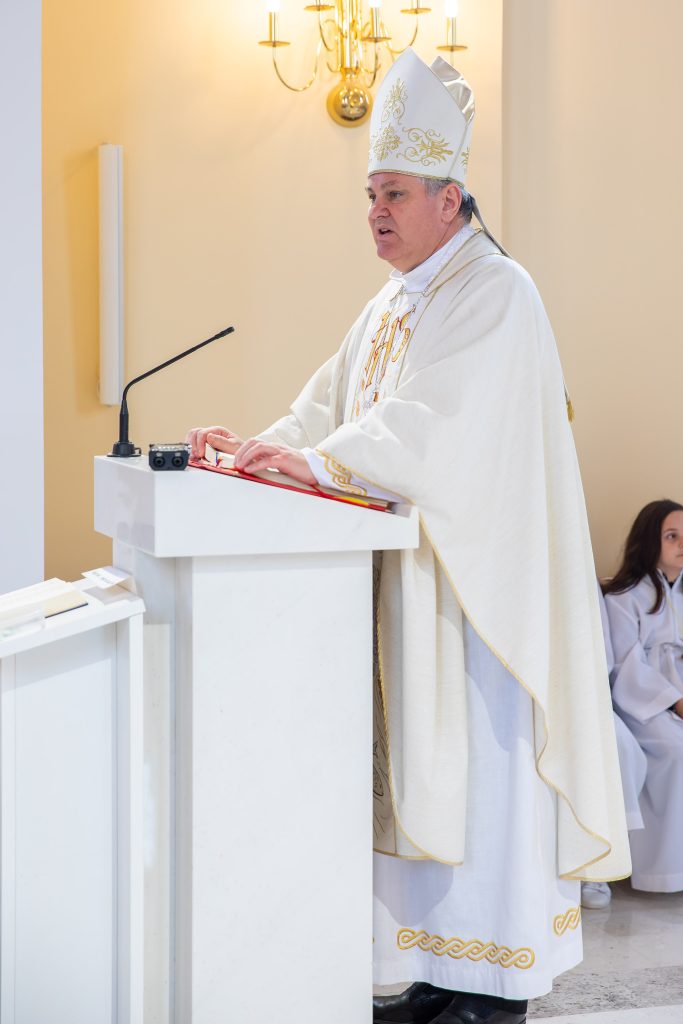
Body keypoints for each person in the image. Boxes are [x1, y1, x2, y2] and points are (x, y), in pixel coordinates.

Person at [187, 50, 630, 1024]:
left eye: (392, 193)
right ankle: (433, 973)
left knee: (481, 787)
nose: (375, 212)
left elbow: (432, 426)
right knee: (422, 787)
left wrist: (315, 461)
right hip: (414, 591)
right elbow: (326, 408)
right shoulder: (391, 302)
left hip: (479, 605)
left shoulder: (495, 291)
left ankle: (491, 988)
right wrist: (256, 450)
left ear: (448, 198)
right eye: (369, 194)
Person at [604, 499, 683, 894]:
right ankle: (662, 871)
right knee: (675, 750)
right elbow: (627, 665)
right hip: (644, 707)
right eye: (671, 536)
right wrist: (675, 701)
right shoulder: (623, 596)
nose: (681, 544)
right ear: (650, 540)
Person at [581, 588, 647, 910]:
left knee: (620, 745)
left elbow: (603, 654)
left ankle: (598, 864)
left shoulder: (580, 572)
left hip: (580, 690)